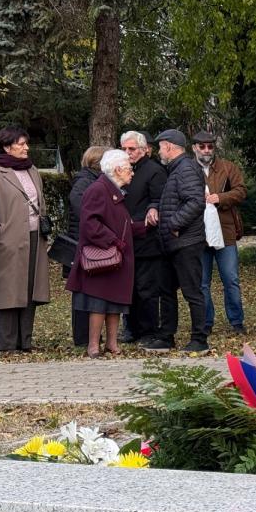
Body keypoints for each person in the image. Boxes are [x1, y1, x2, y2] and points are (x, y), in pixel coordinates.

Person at [66, 150, 147, 357]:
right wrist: (114, 241)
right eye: (129, 169)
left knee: (115, 301)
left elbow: (122, 223)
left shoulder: (115, 190)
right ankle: (93, 345)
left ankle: (112, 343)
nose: (132, 173)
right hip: (103, 257)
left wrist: (146, 226)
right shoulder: (98, 189)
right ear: (118, 170)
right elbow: (90, 224)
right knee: (98, 302)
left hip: (116, 257)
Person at [141, 129, 209, 354]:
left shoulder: (186, 168)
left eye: (160, 147)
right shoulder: (176, 169)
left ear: (169, 146)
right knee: (166, 289)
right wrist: (156, 209)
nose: (159, 152)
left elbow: (195, 202)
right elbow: (172, 200)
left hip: (186, 242)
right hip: (172, 243)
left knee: (192, 291)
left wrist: (173, 224)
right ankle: (166, 337)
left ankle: (199, 339)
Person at [0, 126, 51, 352]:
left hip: (34, 237)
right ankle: (4, 343)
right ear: (7, 147)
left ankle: (24, 341)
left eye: (27, 143)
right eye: (21, 144)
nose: (27, 148)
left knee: (29, 289)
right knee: (7, 290)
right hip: (7, 239)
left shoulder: (32, 170)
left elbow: (40, 202)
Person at [192, 131, 248, 335]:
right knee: (202, 282)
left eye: (210, 146)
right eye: (202, 146)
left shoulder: (228, 167)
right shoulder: (188, 169)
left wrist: (221, 198)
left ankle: (237, 322)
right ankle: (206, 323)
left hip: (225, 232)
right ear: (194, 148)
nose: (206, 150)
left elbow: (241, 191)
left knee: (231, 280)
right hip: (198, 233)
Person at [120, 131, 169, 346]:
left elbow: (159, 198)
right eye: (124, 148)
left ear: (143, 149)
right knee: (129, 287)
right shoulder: (123, 169)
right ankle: (131, 329)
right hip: (127, 238)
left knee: (146, 288)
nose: (127, 152)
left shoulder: (154, 170)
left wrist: (152, 208)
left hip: (147, 239)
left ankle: (148, 330)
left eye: (131, 149)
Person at [66, 145, 109, 347]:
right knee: (83, 291)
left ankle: (88, 336)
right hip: (82, 242)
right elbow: (79, 205)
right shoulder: (85, 181)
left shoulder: (90, 179)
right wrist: (96, 223)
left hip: (84, 240)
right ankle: (83, 337)